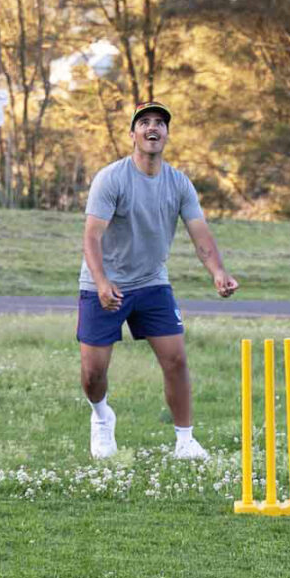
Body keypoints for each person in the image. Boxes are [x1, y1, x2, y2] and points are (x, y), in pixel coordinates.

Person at [79, 100, 238, 461]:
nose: (153, 128)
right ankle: (102, 416)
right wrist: (102, 282)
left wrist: (218, 273)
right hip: (104, 283)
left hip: (152, 282)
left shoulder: (178, 183)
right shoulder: (112, 178)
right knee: (93, 373)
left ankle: (185, 440)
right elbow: (91, 237)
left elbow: (200, 233)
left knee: (176, 360)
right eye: (145, 123)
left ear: (166, 134)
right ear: (133, 134)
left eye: (160, 124)